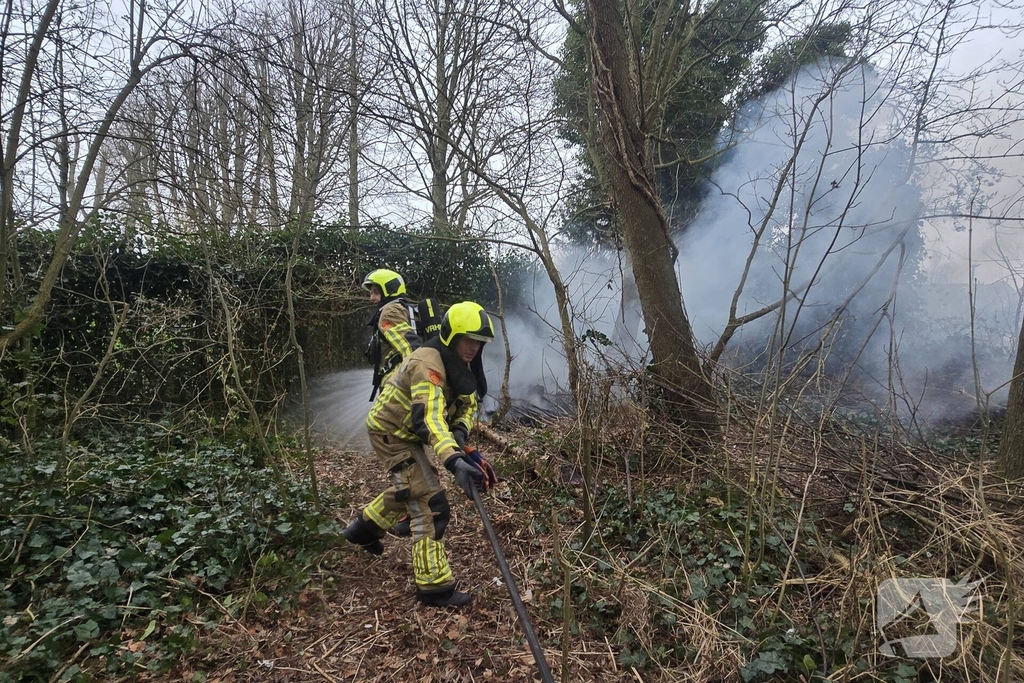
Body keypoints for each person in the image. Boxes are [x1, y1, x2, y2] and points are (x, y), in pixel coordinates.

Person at [343, 301, 494, 608]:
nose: (474, 348)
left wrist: (461, 435)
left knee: (410, 487)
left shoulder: (460, 363)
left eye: (479, 343)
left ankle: (363, 528)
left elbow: (468, 404)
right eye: (469, 340)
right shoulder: (428, 364)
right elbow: (429, 419)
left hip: (407, 432)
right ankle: (434, 587)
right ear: (452, 336)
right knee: (430, 501)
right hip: (392, 433)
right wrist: (453, 461)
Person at [363, 269, 421, 401]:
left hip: (396, 385)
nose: (371, 297)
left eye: (376, 292)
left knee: (379, 421)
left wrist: (418, 379)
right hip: (400, 382)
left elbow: (409, 347)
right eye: (370, 293)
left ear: (389, 290)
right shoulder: (404, 308)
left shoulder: (390, 311)